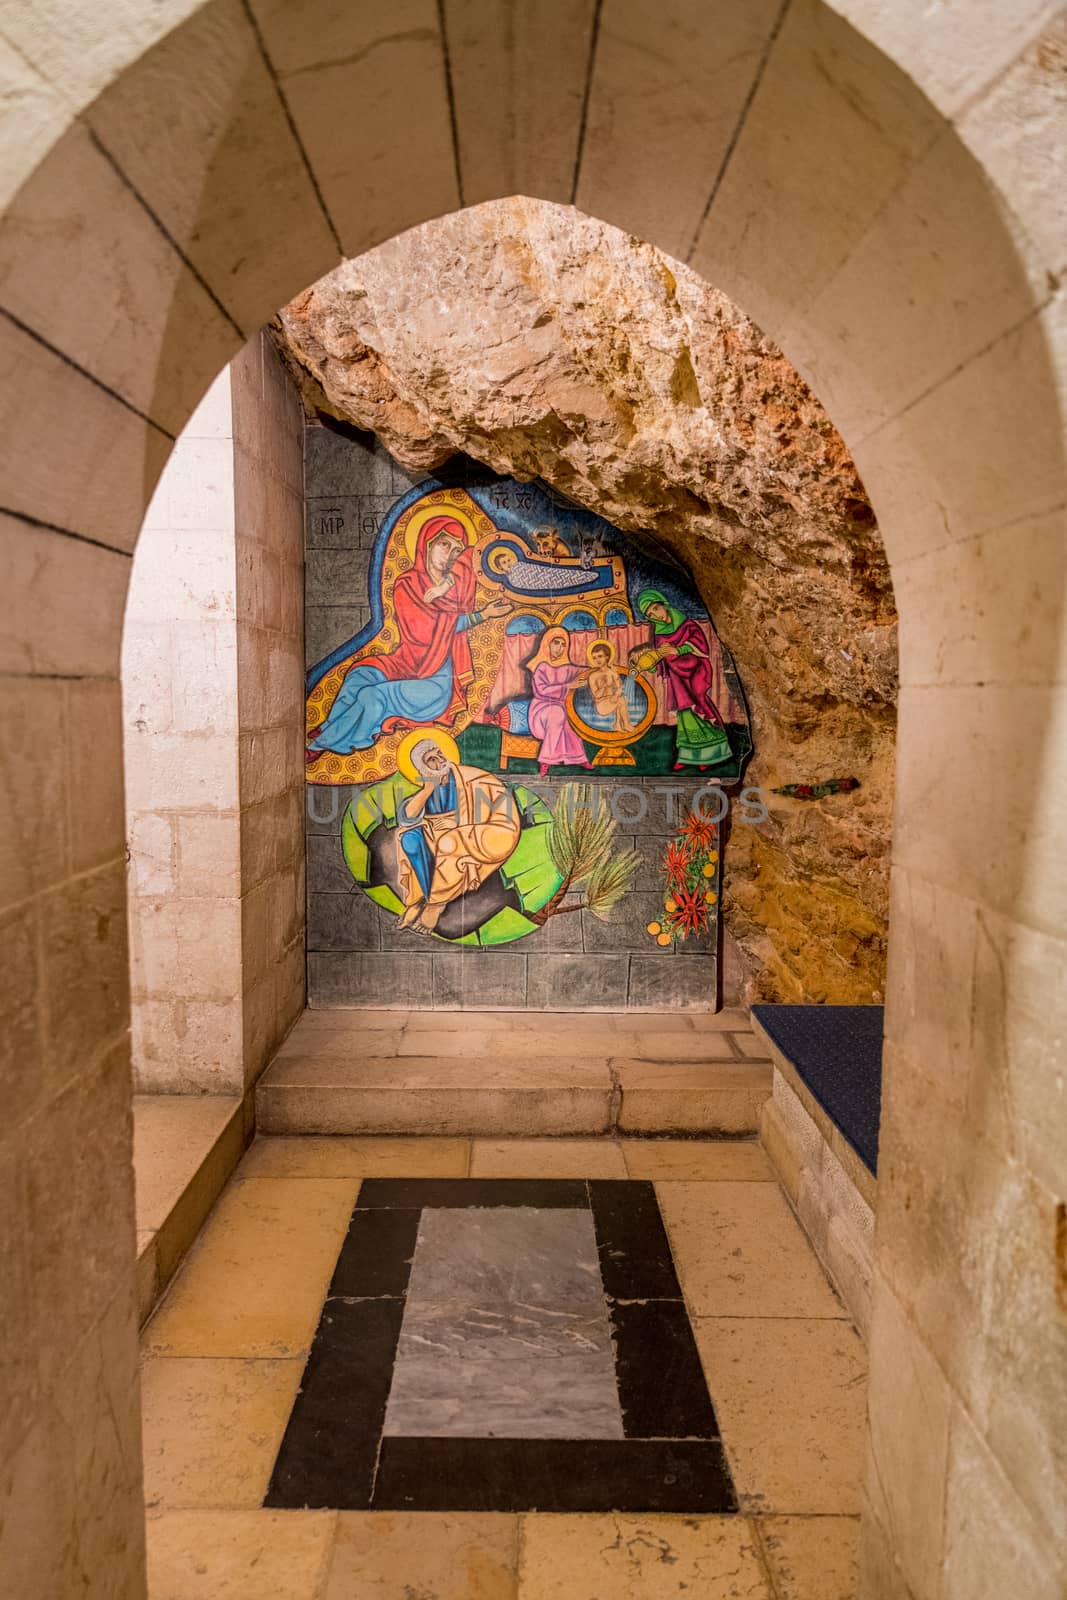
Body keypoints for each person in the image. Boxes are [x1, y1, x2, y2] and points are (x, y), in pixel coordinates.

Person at [307, 515, 511, 757]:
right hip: (407, 661)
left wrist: (482, 611)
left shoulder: (456, 590)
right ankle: (328, 727)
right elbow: (422, 632)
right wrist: (480, 613)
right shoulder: (408, 583)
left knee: (372, 695)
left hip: (435, 681)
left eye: (456, 549)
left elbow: (472, 557)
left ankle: (323, 745)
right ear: (426, 543)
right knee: (360, 674)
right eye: (444, 544)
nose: (451, 554)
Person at [395, 737, 521, 934]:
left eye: (439, 753)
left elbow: (493, 811)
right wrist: (428, 788)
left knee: (448, 842)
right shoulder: (431, 785)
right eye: (431, 759)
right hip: (452, 833)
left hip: (493, 830)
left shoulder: (471, 778)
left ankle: (435, 906)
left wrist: (455, 825)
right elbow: (406, 818)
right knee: (410, 838)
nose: (440, 760)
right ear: (422, 769)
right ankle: (424, 897)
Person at [633, 589, 731, 771]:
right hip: (677, 680)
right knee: (684, 717)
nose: (655, 614)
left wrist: (678, 650)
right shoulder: (659, 635)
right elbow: (660, 660)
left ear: (664, 604)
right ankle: (688, 756)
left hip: (693, 674)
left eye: (655, 608)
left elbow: (701, 647)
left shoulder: (688, 626)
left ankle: (712, 755)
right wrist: (649, 664)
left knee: (699, 710)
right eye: (650, 614)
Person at [526, 626, 591, 774]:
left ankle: (579, 757)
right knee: (557, 713)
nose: (560, 648)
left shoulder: (568, 667)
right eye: (556, 643)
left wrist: (600, 668)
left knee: (570, 716)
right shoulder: (541, 667)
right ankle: (545, 760)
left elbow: (585, 672)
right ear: (547, 643)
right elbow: (541, 691)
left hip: (562, 707)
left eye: (563, 644)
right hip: (541, 710)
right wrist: (568, 686)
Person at [586, 641, 633, 732]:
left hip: (613, 700)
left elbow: (620, 687)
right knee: (621, 700)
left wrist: (615, 696)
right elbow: (596, 695)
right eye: (594, 658)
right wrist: (604, 686)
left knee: (620, 699)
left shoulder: (613, 673)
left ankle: (618, 724)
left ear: (607, 657)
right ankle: (625, 724)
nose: (597, 660)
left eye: (600, 656)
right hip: (601, 704)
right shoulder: (593, 676)